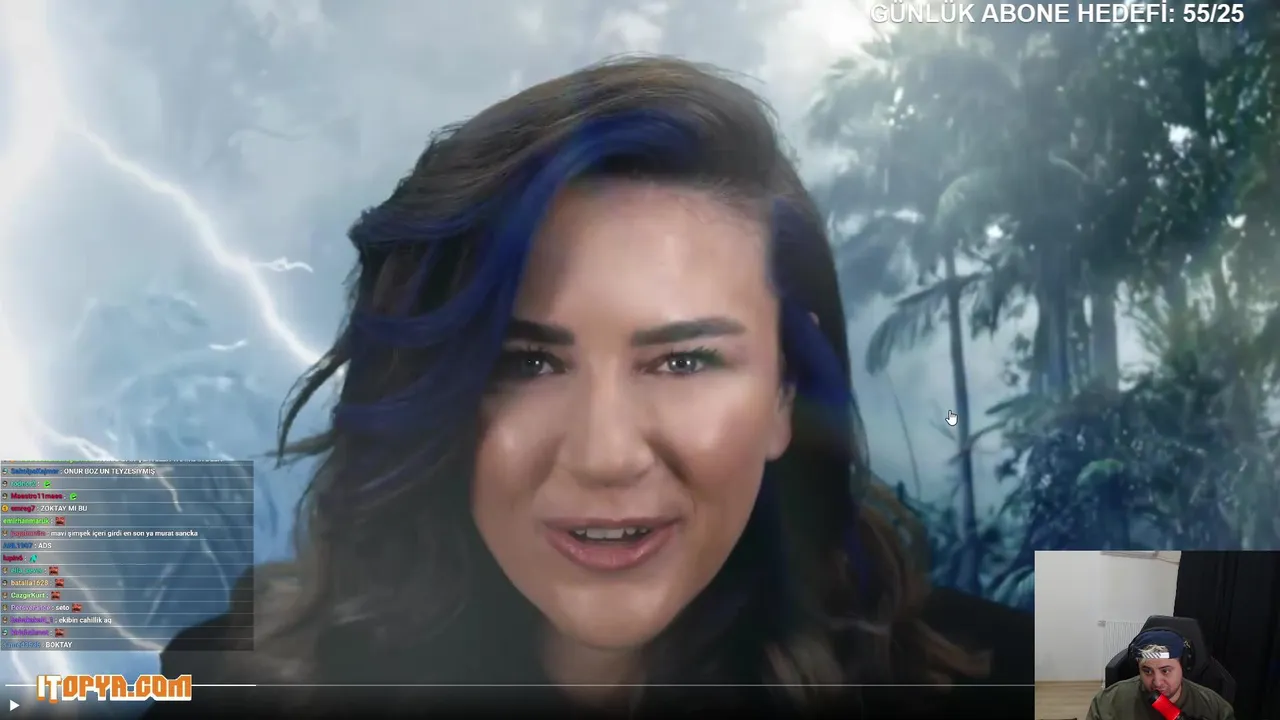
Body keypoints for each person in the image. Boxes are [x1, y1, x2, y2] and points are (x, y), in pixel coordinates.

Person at [151, 56, 1032, 718]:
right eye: (525, 364)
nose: (606, 455)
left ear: (784, 395)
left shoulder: (1021, 679)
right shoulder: (237, 687)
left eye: (684, 362)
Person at [1085, 629, 1235, 720]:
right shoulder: (1108, 702)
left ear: (1183, 666)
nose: (1157, 682)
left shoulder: (1215, 708)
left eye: (1165, 671)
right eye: (1147, 671)